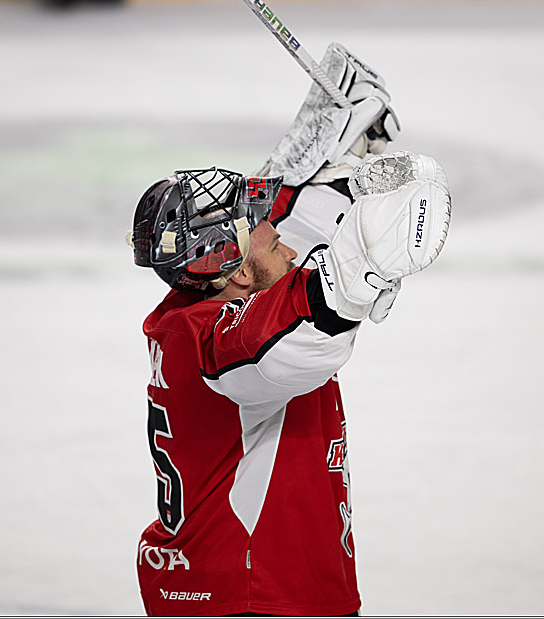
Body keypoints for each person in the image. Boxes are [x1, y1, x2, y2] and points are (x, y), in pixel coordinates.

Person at [128, 44, 451, 616]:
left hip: (243, 586)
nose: (279, 232)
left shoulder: (214, 294)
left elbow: (292, 224)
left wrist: (340, 144)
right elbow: (286, 341)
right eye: (263, 231)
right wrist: (357, 271)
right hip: (251, 598)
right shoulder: (213, 341)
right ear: (226, 258)